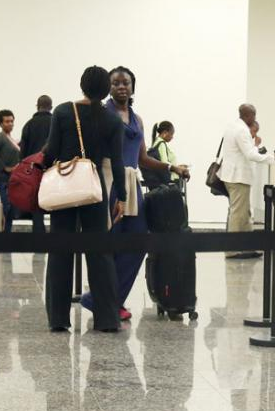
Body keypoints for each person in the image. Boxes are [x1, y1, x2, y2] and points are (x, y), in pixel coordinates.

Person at [80, 66, 188, 322]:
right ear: (108, 87)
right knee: (110, 245)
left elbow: (142, 159)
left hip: (131, 184)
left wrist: (172, 167)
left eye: (125, 83)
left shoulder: (137, 119)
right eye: (115, 83)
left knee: (138, 242)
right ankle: (108, 302)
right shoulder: (101, 113)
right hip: (106, 182)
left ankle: (105, 299)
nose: (121, 87)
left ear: (132, 87)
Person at [41, 66, 125, 332]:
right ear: (106, 89)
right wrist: (120, 196)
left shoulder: (64, 111)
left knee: (60, 251)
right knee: (99, 253)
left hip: (65, 186)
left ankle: (58, 318)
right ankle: (107, 319)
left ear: (82, 85)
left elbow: (52, 149)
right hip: (93, 188)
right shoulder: (112, 121)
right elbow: (118, 162)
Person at [218, 104, 274, 259]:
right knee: (238, 213)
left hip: (233, 176)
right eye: (254, 115)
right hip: (238, 177)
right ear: (249, 115)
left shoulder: (232, 126)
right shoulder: (242, 130)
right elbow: (250, 154)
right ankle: (232, 250)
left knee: (244, 212)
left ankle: (248, 246)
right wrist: (272, 159)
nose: (255, 118)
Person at [20, 95, 53, 233]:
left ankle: (38, 233)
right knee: (55, 201)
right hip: (53, 170)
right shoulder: (55, 123)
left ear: (37, 106)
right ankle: (55, 233)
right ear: (51, 107)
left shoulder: (28, 125)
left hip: (33, 169)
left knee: (36, 203)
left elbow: (22, 152)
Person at [0, 110, 20, 232]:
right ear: (1, 123)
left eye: (11, 121)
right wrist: (4, 167)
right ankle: (4, 235)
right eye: (7, 121)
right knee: (6, 207)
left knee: (10, 208)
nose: (10, 124)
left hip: (12, 179)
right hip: (4, 178)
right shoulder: (0, 137)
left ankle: (7, 233)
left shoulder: (12, 139)